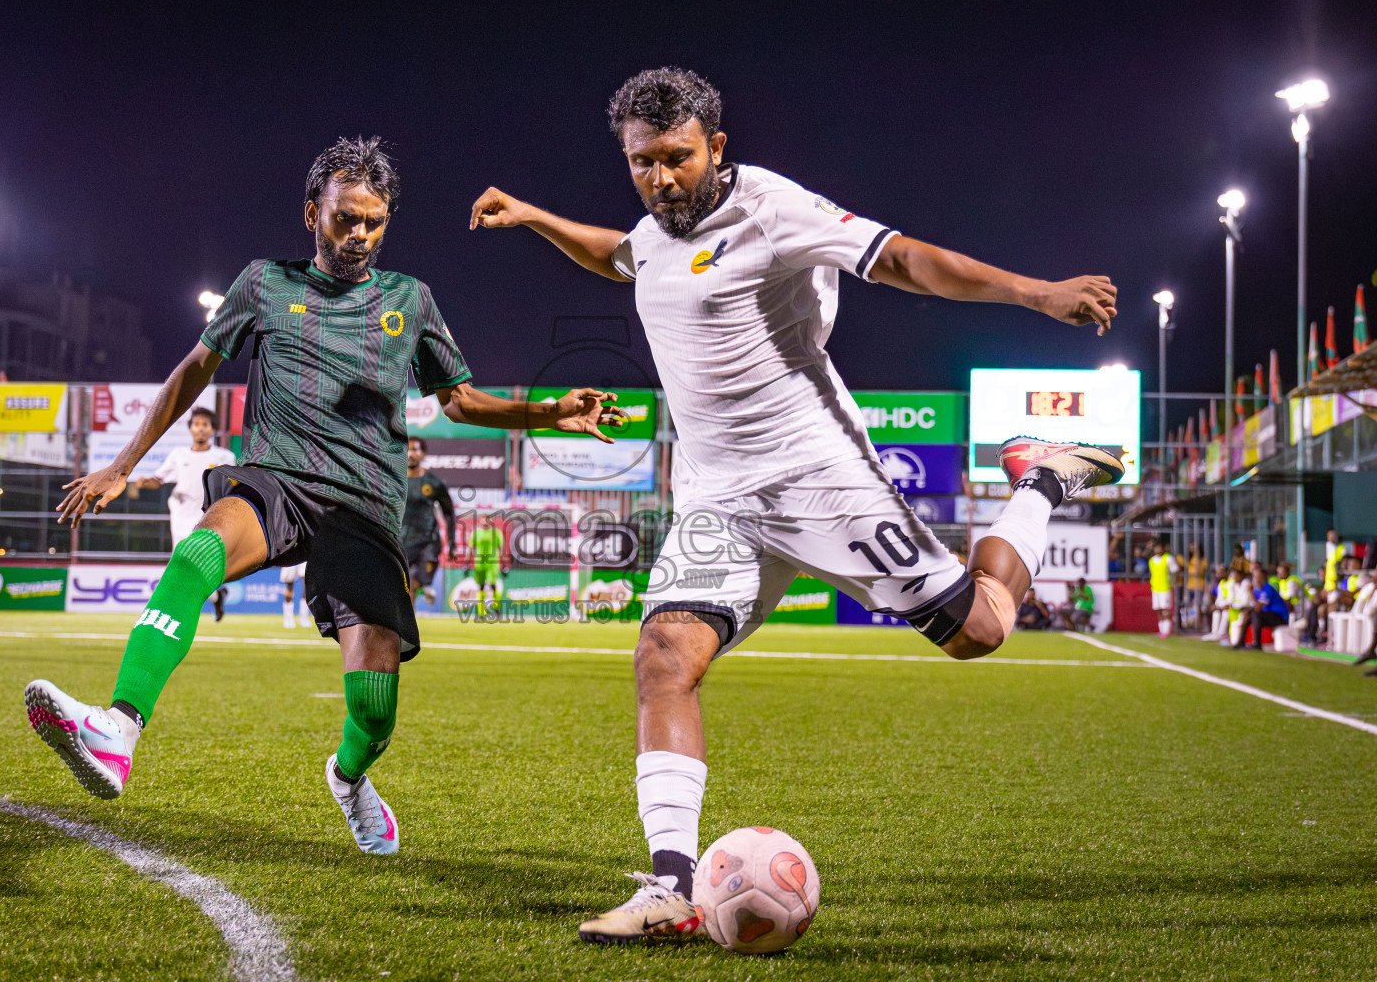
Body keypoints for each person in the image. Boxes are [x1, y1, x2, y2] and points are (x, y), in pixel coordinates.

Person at [470, 66, 1124, 942]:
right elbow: (619, 255)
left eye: (677, 159)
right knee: (663, 656)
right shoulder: (654, 233)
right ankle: (670, 888)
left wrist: (1034, 293)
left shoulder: (772, 209)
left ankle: (1040, 478)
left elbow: (901, 259)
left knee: (980, 630)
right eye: (641, 163)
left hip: (818, 477)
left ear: (716, 147)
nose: (661, 180)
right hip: (716, 499)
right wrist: (536, 217)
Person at [27, 137, 622, 857]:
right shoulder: (263, 284)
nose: (360, 234)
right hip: (276, 480)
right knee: (197, 553)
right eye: (346, 219)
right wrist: (123, 464)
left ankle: (348, 777)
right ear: (313, 214)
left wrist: (551, 413)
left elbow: (460, 401)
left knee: (374, 709)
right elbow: (193, 370)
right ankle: (117, 730)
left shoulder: (410, 299)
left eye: (374, 221)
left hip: (365, 507)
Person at [134, 406, 236, 620]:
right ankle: (178, 611)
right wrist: (144, 482)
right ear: (190, 428)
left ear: (213, 430)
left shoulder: (224, 456)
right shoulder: (179, 455)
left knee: (202, 567)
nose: (201, 429)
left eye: (205, 425)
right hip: (180, 517)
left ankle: (215, 597)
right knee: (180, 564)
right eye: (197, 424)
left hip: (208, 518)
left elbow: (231, 486)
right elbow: (158, 480)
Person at [401, 437, 454, 605]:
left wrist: (451, 543)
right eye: (408, 449)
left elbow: (449, 513)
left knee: (411, 584)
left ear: (423, 453)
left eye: (415, 449)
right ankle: (426, 588)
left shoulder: (434, 483)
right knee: (403, 588)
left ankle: (424, 585)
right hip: (402, 542)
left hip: (427, 542)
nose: (410, 454)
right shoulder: (395, 481)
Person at [1247, 566, 1289, 650]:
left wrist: (1250, 592)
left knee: (1255, 614)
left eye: (1256, 576)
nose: (1253, 579)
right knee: (1249, 615)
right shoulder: (1259, 590)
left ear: (1262, 577)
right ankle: (1241, 643)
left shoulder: (1268, 588)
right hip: (1269, 616)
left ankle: (1257, 643)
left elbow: (1258, 608)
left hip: (1280, 617)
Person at [469, 515, 505, 613]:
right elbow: (471, 548)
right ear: (480, 521)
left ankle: (497, 608)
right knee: (480, 586)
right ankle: (481, 611)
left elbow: (501, 548)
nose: (485, 522)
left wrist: (504, 563)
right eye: (483, 519)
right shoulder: (475, 533)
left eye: (487, 519)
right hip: (480, 563)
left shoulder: (496, 533)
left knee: (493, 585)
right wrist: (467, 562)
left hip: (492, 563)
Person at [1148, 538, 1179, 637]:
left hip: (1165, 587)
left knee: (1165, 609)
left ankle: (1166, 631)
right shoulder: (1151, 560)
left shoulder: (1168, 559)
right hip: (1155, 588)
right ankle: (1161, 630)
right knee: (1159, 610)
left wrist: (1173, 582)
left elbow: (1175, 571)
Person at [281, 562, 312, 629]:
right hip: (290, 557)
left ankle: (303, 617)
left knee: (307, 584)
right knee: (289, 585)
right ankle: (288, 618)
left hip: (304, 558)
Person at [1184, 542, 1206, 631]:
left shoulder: (1202, 560)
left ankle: (1198, 624)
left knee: (1198, 605)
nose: (1193, 550)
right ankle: (1190, 623)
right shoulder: (1189, 560)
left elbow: (1201, 572)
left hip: (1199, 586)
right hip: (1190, 585)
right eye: (1192, 548)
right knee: (1188, 606)